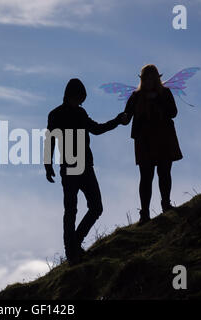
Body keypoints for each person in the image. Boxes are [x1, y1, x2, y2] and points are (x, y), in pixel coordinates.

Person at [44, 78, 126, 265]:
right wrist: (47, 165)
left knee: (96, 207)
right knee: (71, 210)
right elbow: (50, 140)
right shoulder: (55, 115)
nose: (81, 102)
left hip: (86, 166)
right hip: (69, 168)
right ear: (71, 96)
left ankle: (75, 243)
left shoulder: (80, 113)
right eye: (80, 98)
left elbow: (96, 129)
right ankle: (71, 252)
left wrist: (117, 121)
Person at [121, 64, 183, 225]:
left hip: (163, 137)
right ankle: (145, 213)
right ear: (143, 79)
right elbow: (127, 117)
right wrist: (122, 118)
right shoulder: (135, 97)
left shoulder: (164, 93)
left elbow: (173, 112)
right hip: (145, 140)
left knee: (164, 172)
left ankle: (166, 204)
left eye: (151, 78)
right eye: (146, 78)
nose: (148, 81)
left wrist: (158, 99)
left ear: (156, 79)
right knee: (146, 177)